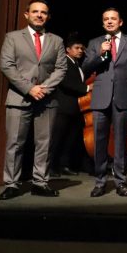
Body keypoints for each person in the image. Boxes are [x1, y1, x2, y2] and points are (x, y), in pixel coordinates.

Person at [0, 0, 67, 200]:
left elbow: (61, 69)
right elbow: (7, 65)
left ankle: (40, 183)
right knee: (15, 143)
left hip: (47, 99)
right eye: (35, 11)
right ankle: (12, 184)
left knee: (44, 143)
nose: (39, 15)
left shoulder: (56, 40)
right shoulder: (12, 37)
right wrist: (29, 88)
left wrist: (43, 89)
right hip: (19, 97)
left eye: (43, 12)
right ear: (26, 14)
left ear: (48, 16)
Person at [82, 7, 127, 197]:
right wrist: (99, 53)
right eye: (106, 19)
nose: (109, 21)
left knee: (120, 142)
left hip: (123, 96)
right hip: (100, 97)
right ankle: (100, 182)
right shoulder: (95, 43)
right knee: (99, 142)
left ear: (120, 22)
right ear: (103, 23)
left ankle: (120, 182)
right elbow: (85, 69)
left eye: (113, 18)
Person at [49, 34, 90, 177]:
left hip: (75, 108)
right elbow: (65, 82)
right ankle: (51, 167)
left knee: (70, 139)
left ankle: (63, 165)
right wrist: (86, 88)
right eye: (77, 48)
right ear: (68, 49)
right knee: (57, 138)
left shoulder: (77, 64)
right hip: (63, 107)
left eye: (82, 48)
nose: (80, 51)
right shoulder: (64, 62)